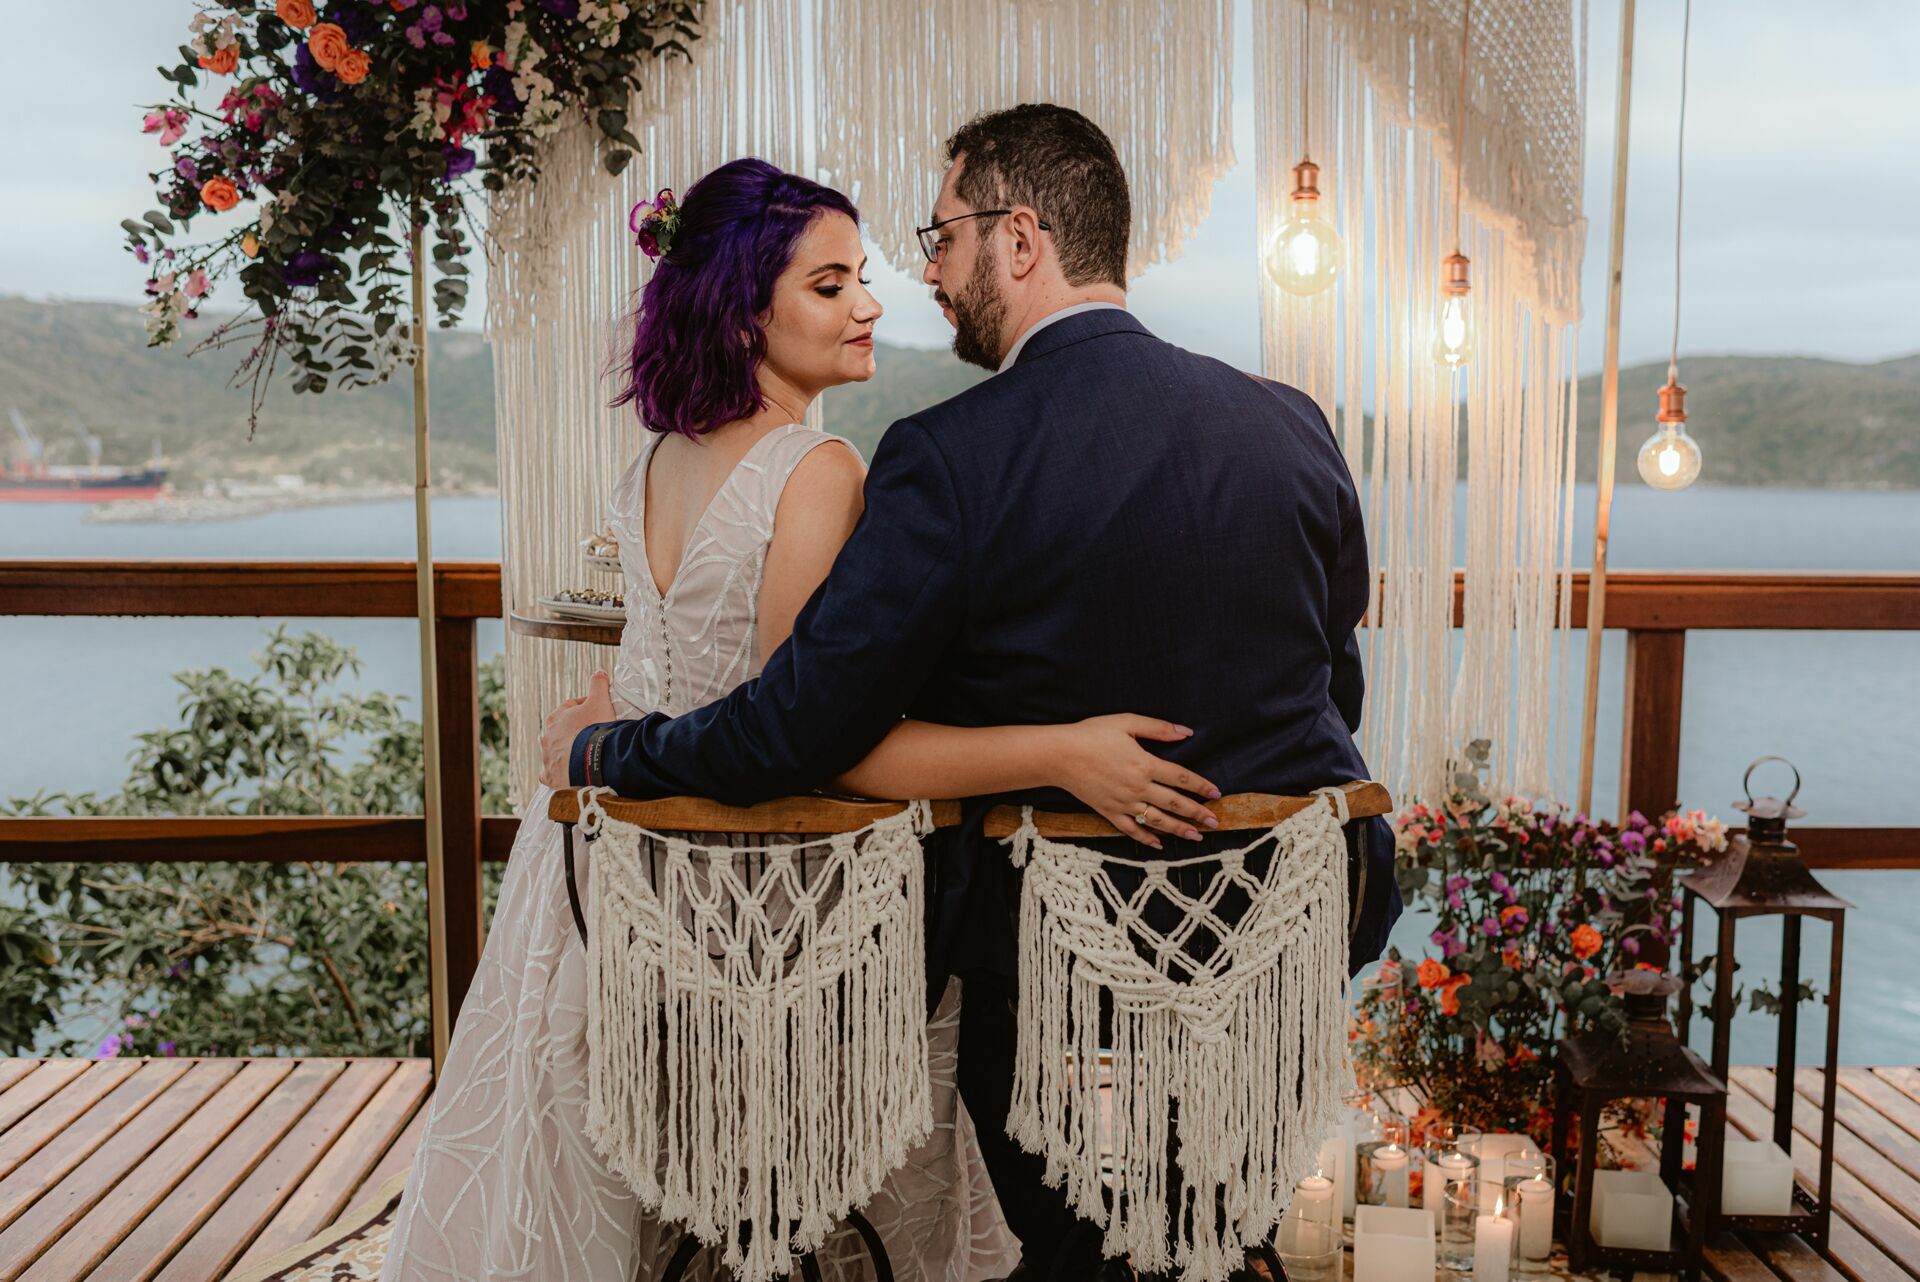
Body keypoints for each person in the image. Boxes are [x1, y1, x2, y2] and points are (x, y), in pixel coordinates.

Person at [550, 107, 1405, 1281]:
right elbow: (1333, 685)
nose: (931, 277)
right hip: (1288, 943)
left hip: (1065, 963)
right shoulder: (1292, 424)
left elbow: (802, 726)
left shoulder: (949, 456)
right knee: (1209, 1221)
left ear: (1020, 236)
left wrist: (605, 752)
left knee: (1060, 1222)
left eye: (943, 239)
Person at [382, 156, 1221, 1282]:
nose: (871, 303)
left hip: (614, 867)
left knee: (606, 1199)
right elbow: (801, 732)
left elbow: (667, 671)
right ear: (742, 312)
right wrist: (1047, 740)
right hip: (754, 889)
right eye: (830, 285)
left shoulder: (653, 463)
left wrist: (601, 730)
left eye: (862, 277)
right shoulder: (816, 467)